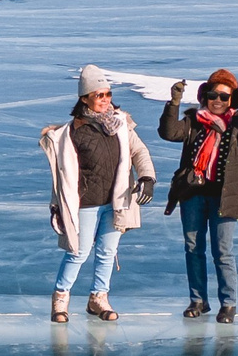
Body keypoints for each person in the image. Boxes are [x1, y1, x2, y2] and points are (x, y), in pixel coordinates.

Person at [157, 69, 238, 324]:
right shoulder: (193, 121)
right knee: (193, 248)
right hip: (192, 193)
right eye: (213, 95)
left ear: (233, 99)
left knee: (222, 251)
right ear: (205, 96)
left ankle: (228, 304)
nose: (218, 101)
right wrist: (174, 103)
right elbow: (168, 132)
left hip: (226, 196)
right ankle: (198, 300)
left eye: (224, 96)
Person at [39, 65, 156, 323]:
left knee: (107, 251)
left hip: (116, 201)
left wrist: (147, 178)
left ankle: (98, 298)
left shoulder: (120, 124)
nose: (105, 100)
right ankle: (60, 298)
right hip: (85, 203)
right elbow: (60, 175)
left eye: (108, 94)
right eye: (98, 95)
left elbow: (139, 152)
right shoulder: (72, 132)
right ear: (84, 98)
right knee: (78, 252)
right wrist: (57, 205)